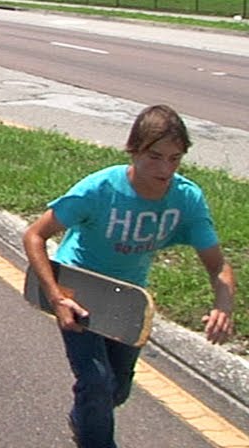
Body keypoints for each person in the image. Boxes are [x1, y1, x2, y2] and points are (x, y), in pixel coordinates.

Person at [23, 105, 235, 448]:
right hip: (80, 290)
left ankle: (84, 418)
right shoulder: (99, 190)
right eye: (154, 157)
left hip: (129, 300)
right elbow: (35, 235)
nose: (165, 169)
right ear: (133, 151)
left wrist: (223, 304)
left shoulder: (186, 199)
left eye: (175, 158)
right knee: (95, 381)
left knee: (116, 390)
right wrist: (56, 296)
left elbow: (218, 265)